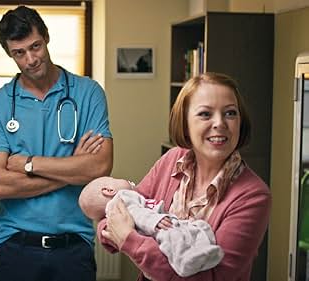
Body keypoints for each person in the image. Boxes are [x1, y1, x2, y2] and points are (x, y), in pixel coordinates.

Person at [0, 5, 113, 281]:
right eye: (19, 53)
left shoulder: (88, 93)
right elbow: (0, 185)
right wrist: (73, 170)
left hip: (73, 245)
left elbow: (100, 167)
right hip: (15, 245)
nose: (30, 59)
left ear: (47, 38)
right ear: (10, 54)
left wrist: (28, 164)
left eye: (35, 46)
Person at [98, 72, 271, 280]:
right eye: (205, 114)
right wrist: (113, 229)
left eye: (230, 113)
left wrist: (129, 239)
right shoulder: (171, 160)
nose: (220, 123)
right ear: (185, 124)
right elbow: (118, 211)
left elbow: (213, 277)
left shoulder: (253, 196)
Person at [79, 176, 224, 277]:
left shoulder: (114, 211)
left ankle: (201, 251)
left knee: (189, 230)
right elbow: (137, 213)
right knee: (175, 238)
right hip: (157, 229)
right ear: (109, 190)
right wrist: (153, 222)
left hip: (154, 230)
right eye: (115, 180)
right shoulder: (122, 198)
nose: (129, 181)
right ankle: (186, 261)